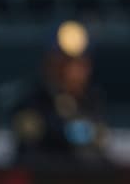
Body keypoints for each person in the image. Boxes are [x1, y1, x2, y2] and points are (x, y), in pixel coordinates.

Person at [10, 20, 110, 167]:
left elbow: (100, 154)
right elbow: (29, 158)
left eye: (80, 63)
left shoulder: (91, 103)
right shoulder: (33, 106)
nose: (73, 71)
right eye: (64, 63)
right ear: (50, 64)